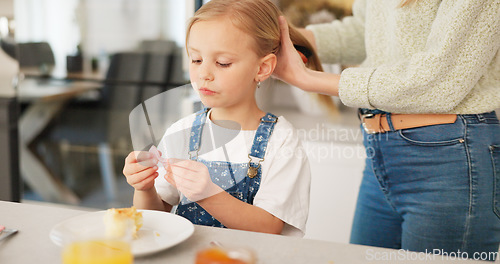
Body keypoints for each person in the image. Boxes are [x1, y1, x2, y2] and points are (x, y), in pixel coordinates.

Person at [273, 0, 500, 260]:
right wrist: (286, 37)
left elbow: (440, 80)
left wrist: (308, 79)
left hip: (449, 157)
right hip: (380, 150)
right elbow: (368, 31)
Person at [123, 0, 315, 237]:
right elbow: (154, 220)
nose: (203, 74)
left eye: (222, 63)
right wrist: (144, 188)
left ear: (262, 68)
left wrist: (209, 194)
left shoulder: (281, 139)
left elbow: (270, 227)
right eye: (196, 60)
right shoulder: (181, 132)